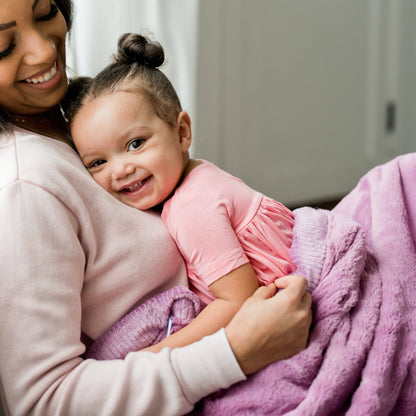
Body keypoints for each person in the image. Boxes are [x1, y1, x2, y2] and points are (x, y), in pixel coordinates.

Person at [0, 2, 312, 415]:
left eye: (44, 12)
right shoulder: (27, 186)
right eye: (3, 45)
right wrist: (236, 351)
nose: (43, 51)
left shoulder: (72, 115)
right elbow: (44, 402)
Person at [69, 32, 300, 353]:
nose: (120, 169)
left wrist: (151, 358)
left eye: (135, 144)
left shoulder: (192, 208)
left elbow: (239, 301)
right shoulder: (197, 177)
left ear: (181, 132)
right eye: (98, 162)